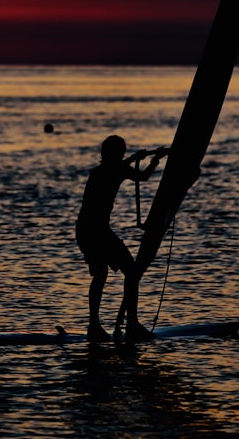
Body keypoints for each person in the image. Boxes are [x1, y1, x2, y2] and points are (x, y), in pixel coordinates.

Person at [76, 135, 167, 342]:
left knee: (100, 275)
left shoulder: (101, 171)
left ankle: (94, 326)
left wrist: (136, 159)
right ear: (116, 154)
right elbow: (143, 177)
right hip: (95, 232)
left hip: (85, 231)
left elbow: (119, 169)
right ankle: (131, 325)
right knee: (132, 272)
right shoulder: (113, 170)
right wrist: (155, 160)